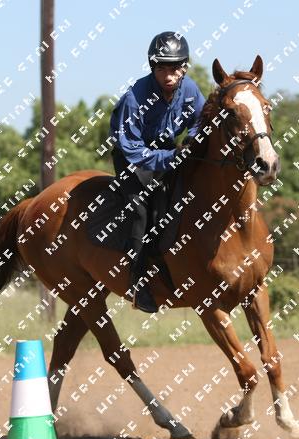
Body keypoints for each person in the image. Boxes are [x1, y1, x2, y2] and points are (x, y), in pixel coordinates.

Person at [109, 31, 206, 313]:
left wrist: (191, 140)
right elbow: (132, 150)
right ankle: (137, 283)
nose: (169, 75)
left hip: (169, 152)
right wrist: (172, 157)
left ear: (184, 68)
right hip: (133, 158)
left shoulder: (190, 89)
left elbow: (202, 119)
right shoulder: (135, 97)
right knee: (141, 211)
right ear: (153, 67)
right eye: (162, 68)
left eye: (175, 68)